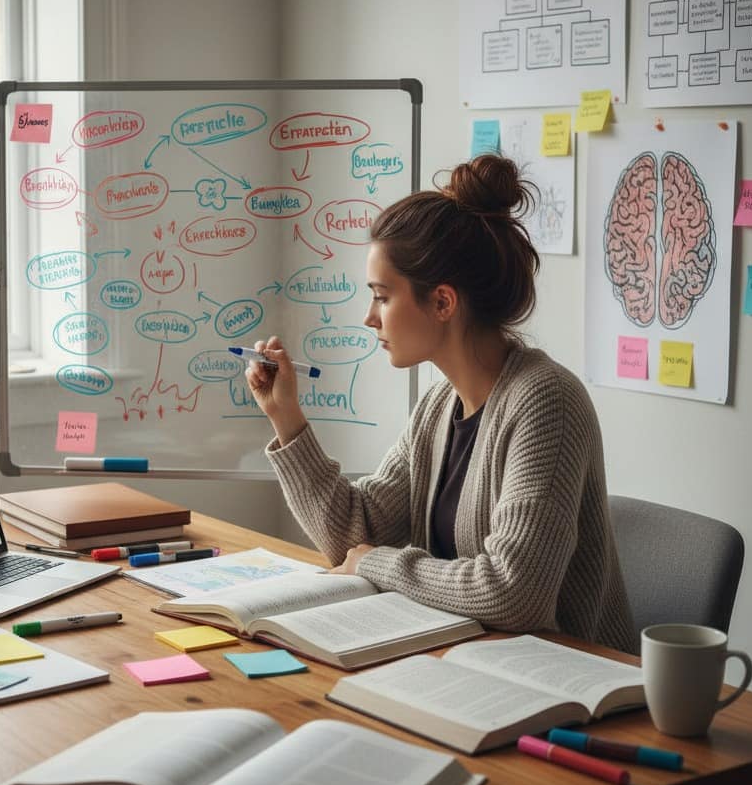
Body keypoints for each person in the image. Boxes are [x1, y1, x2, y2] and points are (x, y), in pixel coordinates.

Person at [247, 154, 635, 652]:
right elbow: (354, 534)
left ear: (443, 302)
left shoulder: (547, 402)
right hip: (473, 663)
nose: (370, 318)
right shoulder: (437, 407)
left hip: (572, 682)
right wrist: (285, 416)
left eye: (382, 296)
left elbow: (513, 593)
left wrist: (379, 562)